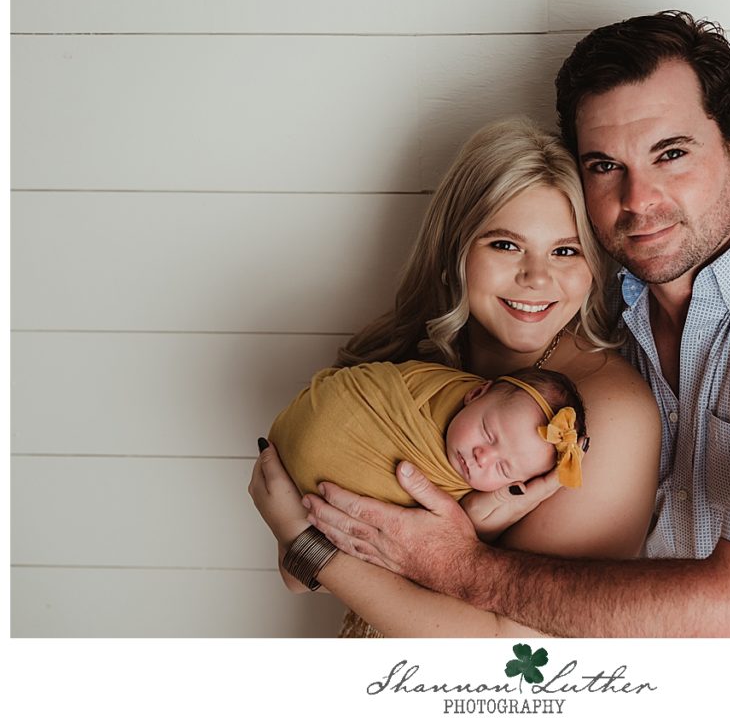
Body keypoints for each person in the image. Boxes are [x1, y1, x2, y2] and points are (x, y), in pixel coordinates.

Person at [294, 11, 730, 637]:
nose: (639, 200)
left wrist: (456, 565)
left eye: (671, 154)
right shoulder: (586, 319)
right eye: (607, 166)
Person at [248, 115, 661, 636]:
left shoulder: (606, 416)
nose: (537, 278)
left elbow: (527, 651)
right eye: (505, 245)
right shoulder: (413, 366)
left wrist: (311, 546)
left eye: (565, 250)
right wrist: (308, 547)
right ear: (456, 248)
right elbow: (297, 576)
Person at [268, 361, 588, 529]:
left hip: (301, 508)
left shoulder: (475, 499)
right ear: (476, 393)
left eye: (503, 468)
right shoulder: (431, 387)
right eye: (488, 433)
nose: (482, 456)